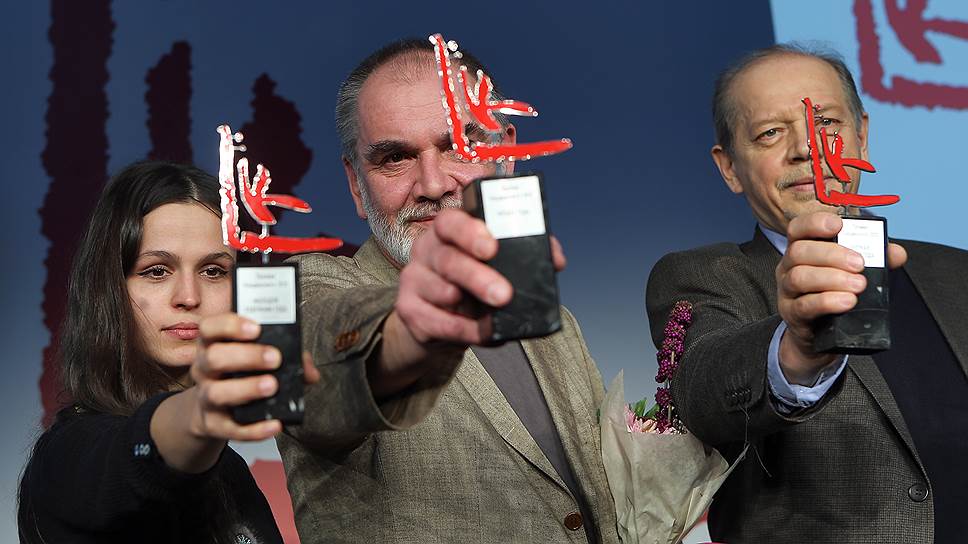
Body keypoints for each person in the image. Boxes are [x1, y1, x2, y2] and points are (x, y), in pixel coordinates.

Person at [267, 38, 618, 543]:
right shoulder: (296, 290)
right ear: (356, 185)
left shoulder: (557, 323)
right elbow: (313, 359)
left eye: (459, 146)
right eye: (395, 158)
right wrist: (409, 332)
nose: (433, 184)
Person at [646, 44, 968, 543]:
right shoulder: (703, 276)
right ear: (729, 167)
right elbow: (702, 391)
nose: (808, 148)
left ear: (862, 136)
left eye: (827, 123)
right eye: (770, 133)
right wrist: (793, 350)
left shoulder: (957, 270)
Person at [18, 161, 318, 544]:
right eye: (157, 271)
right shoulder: (66, 457)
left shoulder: (230, 469)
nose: (189, 297)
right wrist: (199, 414)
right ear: (108, 289)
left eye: (213, 271)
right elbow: (136, 454)